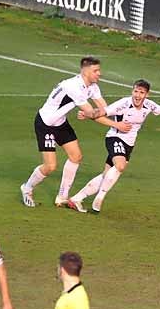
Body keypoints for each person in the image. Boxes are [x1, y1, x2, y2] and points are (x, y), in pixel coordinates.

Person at [67, 80, 160, 213]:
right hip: (115, 138)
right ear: (132, 91)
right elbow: (103, 111)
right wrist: (87, 114)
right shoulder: (124, 103)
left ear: (147, 94)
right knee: (120, 166)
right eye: (136, 91)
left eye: (141, 92)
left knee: (107, 175)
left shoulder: (149, 105)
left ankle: (77, 198)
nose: (137, 95)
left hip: (129, 144)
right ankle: (99, 199)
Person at [20, 58, 109, 208]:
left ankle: (62, 196)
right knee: (50, 166)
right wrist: (92, 115)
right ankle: (27, 188)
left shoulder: (93, 86)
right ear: (85, 71)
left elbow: (105, 108)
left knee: (76, 157)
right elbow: (91, 112)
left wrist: (117, 114)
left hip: (60, 123)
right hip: (46, 123)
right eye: (96, 71)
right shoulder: (73, 87)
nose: (99, 74)